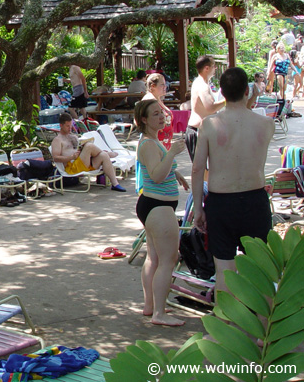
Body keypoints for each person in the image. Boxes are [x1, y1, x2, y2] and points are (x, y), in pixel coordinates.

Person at [191, 67, 274, 296]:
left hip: (221, 202)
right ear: (247, 90)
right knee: (259, 269)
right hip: (255, 199)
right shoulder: (266, 124)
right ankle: (260, 328)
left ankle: (226, 327)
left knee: (224, 269)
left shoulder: (208, 124)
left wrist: (198, 208)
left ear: (222, 94)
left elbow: (198, 169)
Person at [134, 99, 189, 327]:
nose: (161, 117)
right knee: (168, 260)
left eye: (161, 113)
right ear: (144, 120)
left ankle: (151, 306)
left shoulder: (152, 141)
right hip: (157, 206)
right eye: (155, 114)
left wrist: (175, 174)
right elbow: (156, 174)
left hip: (154, 204)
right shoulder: (148, 143)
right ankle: (159, 313)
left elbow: (158, 169)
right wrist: (173, 152)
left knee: (154, 258)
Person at [50, 113, 126, 192]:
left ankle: (115, 184)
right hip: (72, 168)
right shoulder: (57, 140)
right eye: (67, 126)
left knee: (103, 155)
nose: (70, 128)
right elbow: (55, 158)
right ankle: (109, 154)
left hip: (82, 163)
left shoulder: (73, 136)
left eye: (71, 125)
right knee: (89, 146)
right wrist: (71, 157)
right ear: (61, 125)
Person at [186, 56, 225, 161]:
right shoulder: (202, 85)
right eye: (213, 66)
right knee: (203, 171)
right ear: (206, 68)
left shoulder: (202, 83)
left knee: (209, 170)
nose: (215, 68)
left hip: (203, 130)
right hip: (198, 131)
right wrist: (228, 100)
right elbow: (210, 108)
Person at [142, 74, 173, 149]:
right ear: (153, 86)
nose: (165, 87)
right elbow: (139, 120)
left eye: (165, 85)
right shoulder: (149, 100)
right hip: (154, 145)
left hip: (163, 143)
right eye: (162, 85)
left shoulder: (157, 99)